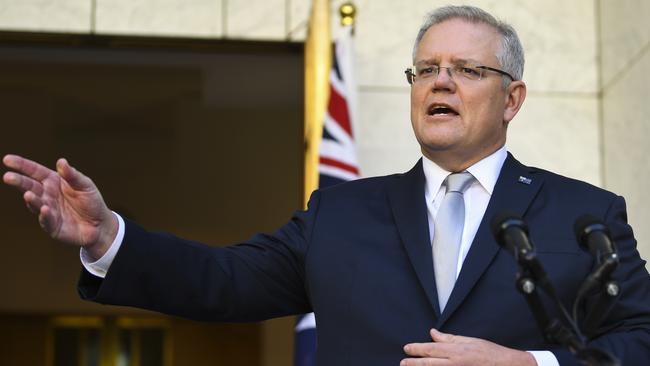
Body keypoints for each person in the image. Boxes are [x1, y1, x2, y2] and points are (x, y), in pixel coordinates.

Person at [3, 5, 650, 366]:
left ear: (512, 98)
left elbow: (640, 338)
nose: (440, 81)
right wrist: (109, 235)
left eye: (466, 68)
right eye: (425, 68)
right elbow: (223, 281)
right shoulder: (340, 213)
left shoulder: (582, 214)